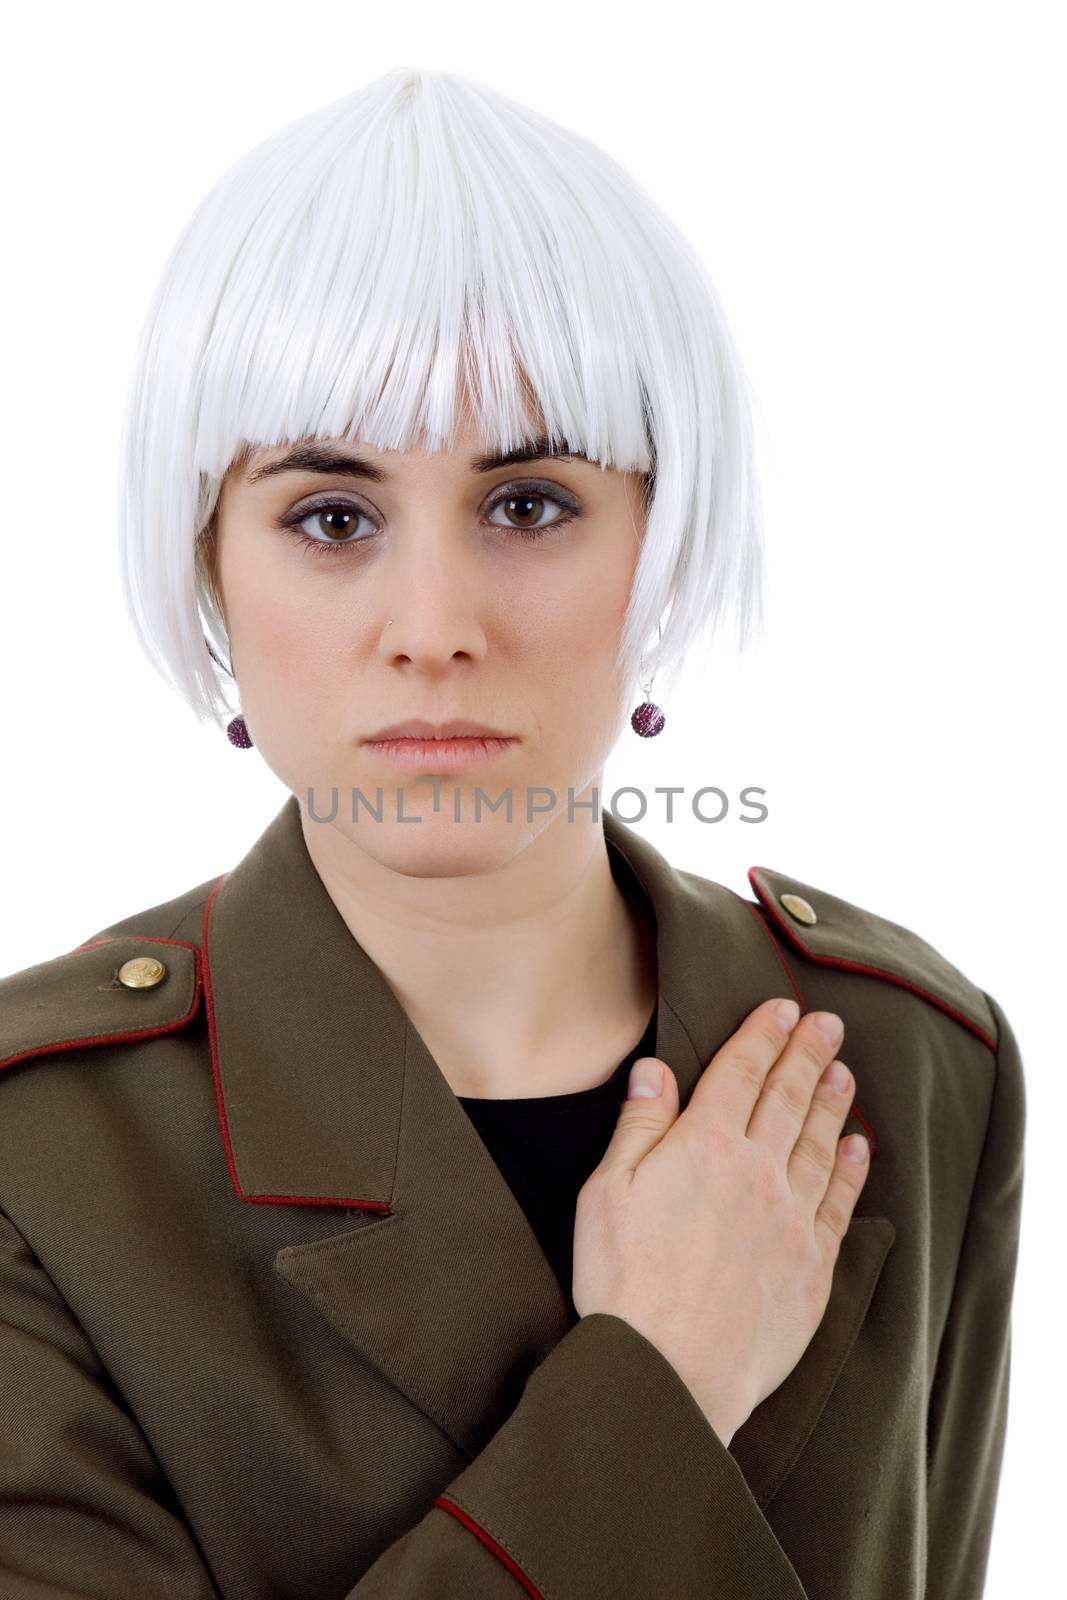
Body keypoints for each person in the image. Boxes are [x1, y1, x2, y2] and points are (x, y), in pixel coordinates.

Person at [0, 66, 1024, 1599]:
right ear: (208, 562)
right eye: (333, 517)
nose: (435, 629)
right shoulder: (42, 1150)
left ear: (661, 543)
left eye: (531, 505)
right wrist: (657, 1380)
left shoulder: (915, 1059)